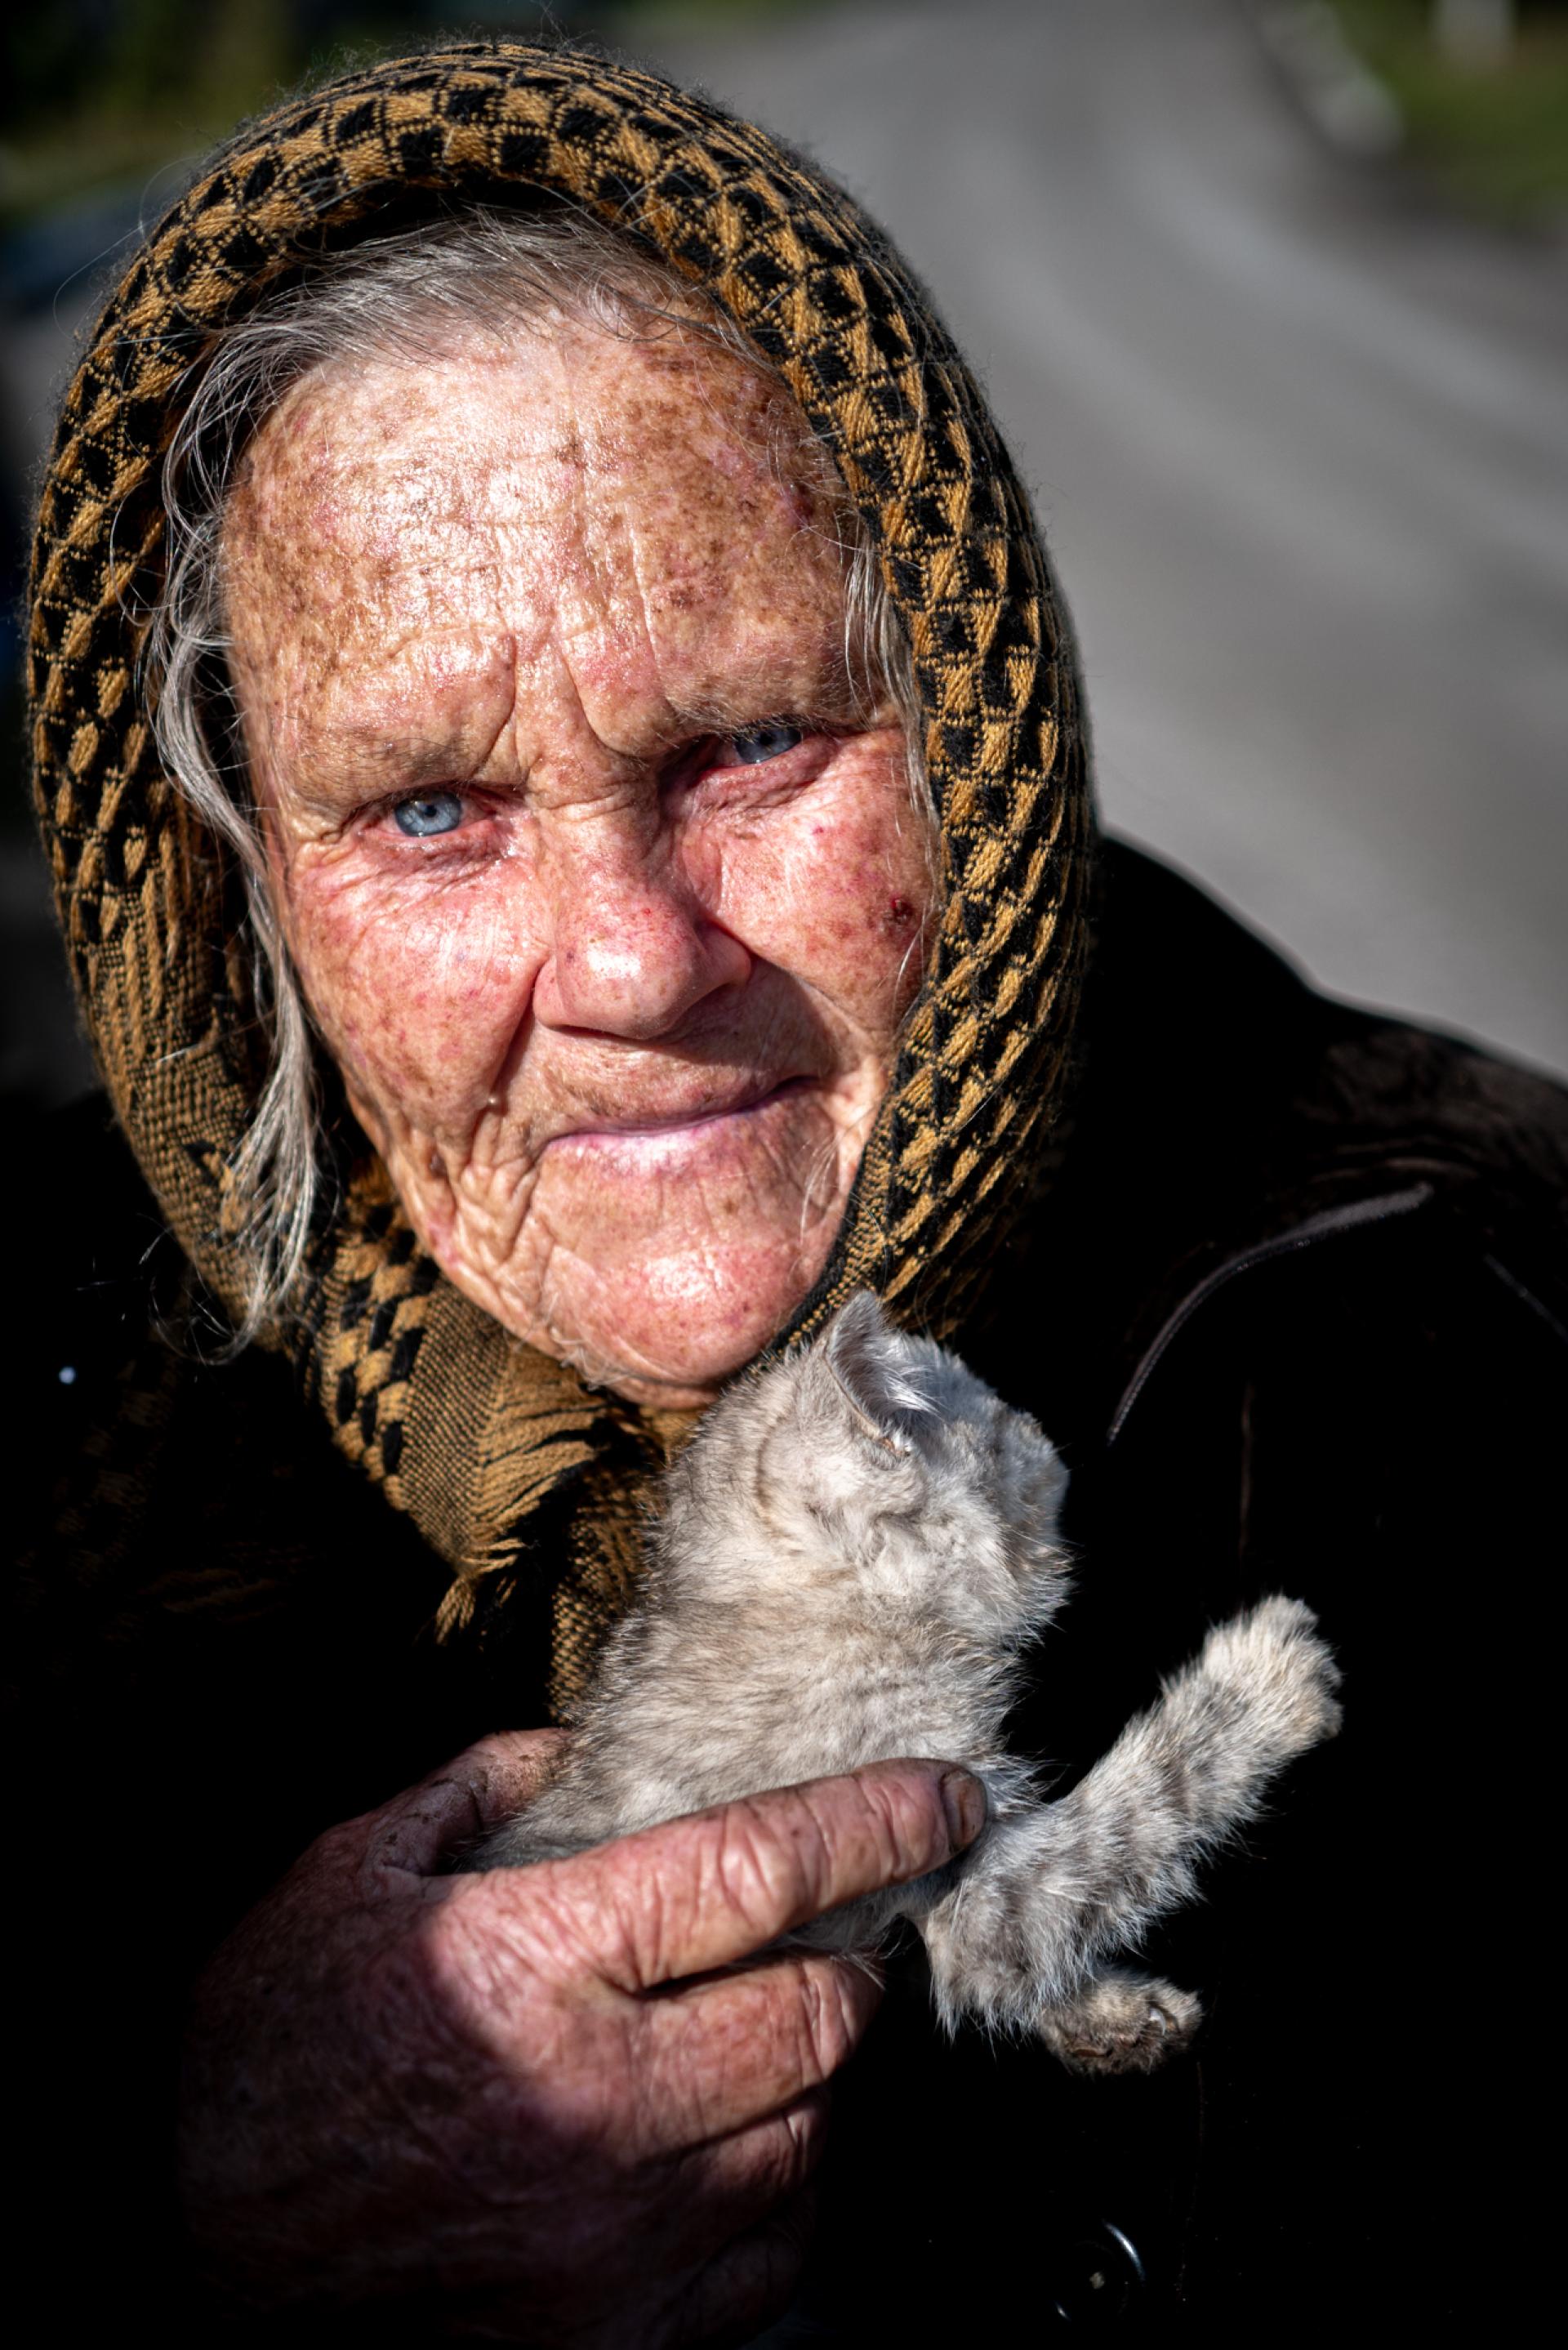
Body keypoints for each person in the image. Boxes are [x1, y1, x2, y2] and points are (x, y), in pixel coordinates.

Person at [11, 36, 1565, 2343]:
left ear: (967, 713)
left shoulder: (1467, 1343)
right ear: (238, 884)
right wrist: (180, 2194)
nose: (636, 957)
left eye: (747, 743)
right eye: (428, 809)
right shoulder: (48, 1396)